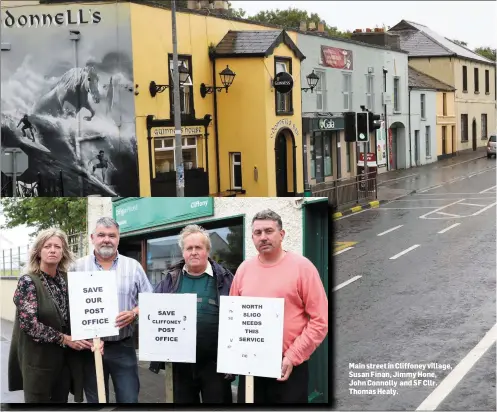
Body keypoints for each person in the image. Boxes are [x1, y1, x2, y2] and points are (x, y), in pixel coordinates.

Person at [230, 209, 328, 404]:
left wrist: (293, 356)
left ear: (281, 234)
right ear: (252, 237)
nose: (263, 237)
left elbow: (320, 320)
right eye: (258, 233)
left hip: (288, 366)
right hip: (251, 365)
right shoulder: (243, 270)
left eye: (269, 231)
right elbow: (234, 317)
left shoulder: (303, 267)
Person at [8, 228, 103, 403]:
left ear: (63, 252)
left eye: (57, 247)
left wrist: (94, 338)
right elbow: (29, 325)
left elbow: (82, 313)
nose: (53, 250)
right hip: (38, 362)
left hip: (64, 363)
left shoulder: (68, 280)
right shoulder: (28, 281)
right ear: (38, 251)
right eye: (47, 246)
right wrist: (65, 339)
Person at [149, 224, 235, 403]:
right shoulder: (170, 280)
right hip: (180, 366)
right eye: (189, 248)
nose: (194, 252)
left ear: (207, 251)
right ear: (183, 253)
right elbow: (153, 312)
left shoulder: (226, 279)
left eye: (198, 247)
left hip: (215, 365)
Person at [72, 217, 153, 403]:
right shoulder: (77, 267)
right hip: (91, 350)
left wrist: (134, 313)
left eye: (111, 235)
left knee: (129, 399)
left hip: (123, 346)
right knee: (97, 401)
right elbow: (70, 307)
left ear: (118, 238)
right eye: (101, 235)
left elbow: (150, 301)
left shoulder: (133, 267)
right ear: (92, 237)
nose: (106, 239)